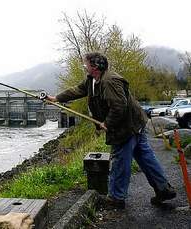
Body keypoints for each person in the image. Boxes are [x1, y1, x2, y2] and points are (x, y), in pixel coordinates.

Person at [46, 52, 176, 209]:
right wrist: (56, 98)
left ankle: (116, 198)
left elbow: (119, 106)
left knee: (120, 160)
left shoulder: (109, 81)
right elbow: (78, 90)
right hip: (135, 124)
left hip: (126, 127)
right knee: (146, 158)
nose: (84, 67)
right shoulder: (92, 80)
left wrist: (107, 123)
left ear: (94, 66)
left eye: (85, 64)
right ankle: (164, 189)